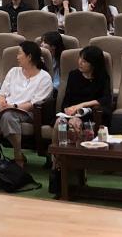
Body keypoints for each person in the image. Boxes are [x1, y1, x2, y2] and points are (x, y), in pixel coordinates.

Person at [49, 45, 113, 193]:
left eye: (84, 61)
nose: (80, 63)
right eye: (80, 59)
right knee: (60, 123)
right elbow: (66, 101)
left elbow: (105, 100)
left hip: (91, 115)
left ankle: (78, 173)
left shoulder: (102, 77)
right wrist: (72, 115)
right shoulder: (73, 75)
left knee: (75, 127)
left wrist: (82, 105)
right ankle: (56, 161)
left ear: (93, 64)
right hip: (71, 114)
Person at [0, 41, 53, 168]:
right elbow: (2, 93)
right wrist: (1, 103)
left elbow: (34, 104)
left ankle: (18, 155)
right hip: (6, 108)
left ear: (29, 57)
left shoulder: (44, 77)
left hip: (28, 112)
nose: (17, 57)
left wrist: (13, 107)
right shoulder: (13, 71)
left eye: (19, 54)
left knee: (8, 116)